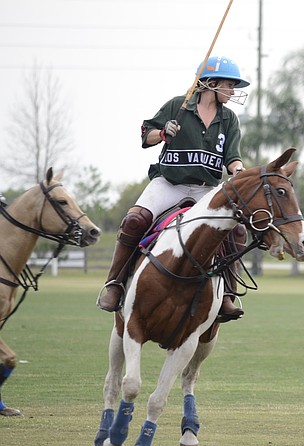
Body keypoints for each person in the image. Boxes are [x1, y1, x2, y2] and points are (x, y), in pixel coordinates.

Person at [96, 55, 250, 323]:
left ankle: (227, 293)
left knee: (235, 229)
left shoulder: (229, 119)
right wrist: (163, 134)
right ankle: (115, 284)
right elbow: (146, 135)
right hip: (169, 184)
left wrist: (238, 170)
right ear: (211, 83)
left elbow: (232, 157)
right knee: (135, 220)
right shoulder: (177, 106)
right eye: (229, 84)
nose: (233, 91)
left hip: (206, 189)